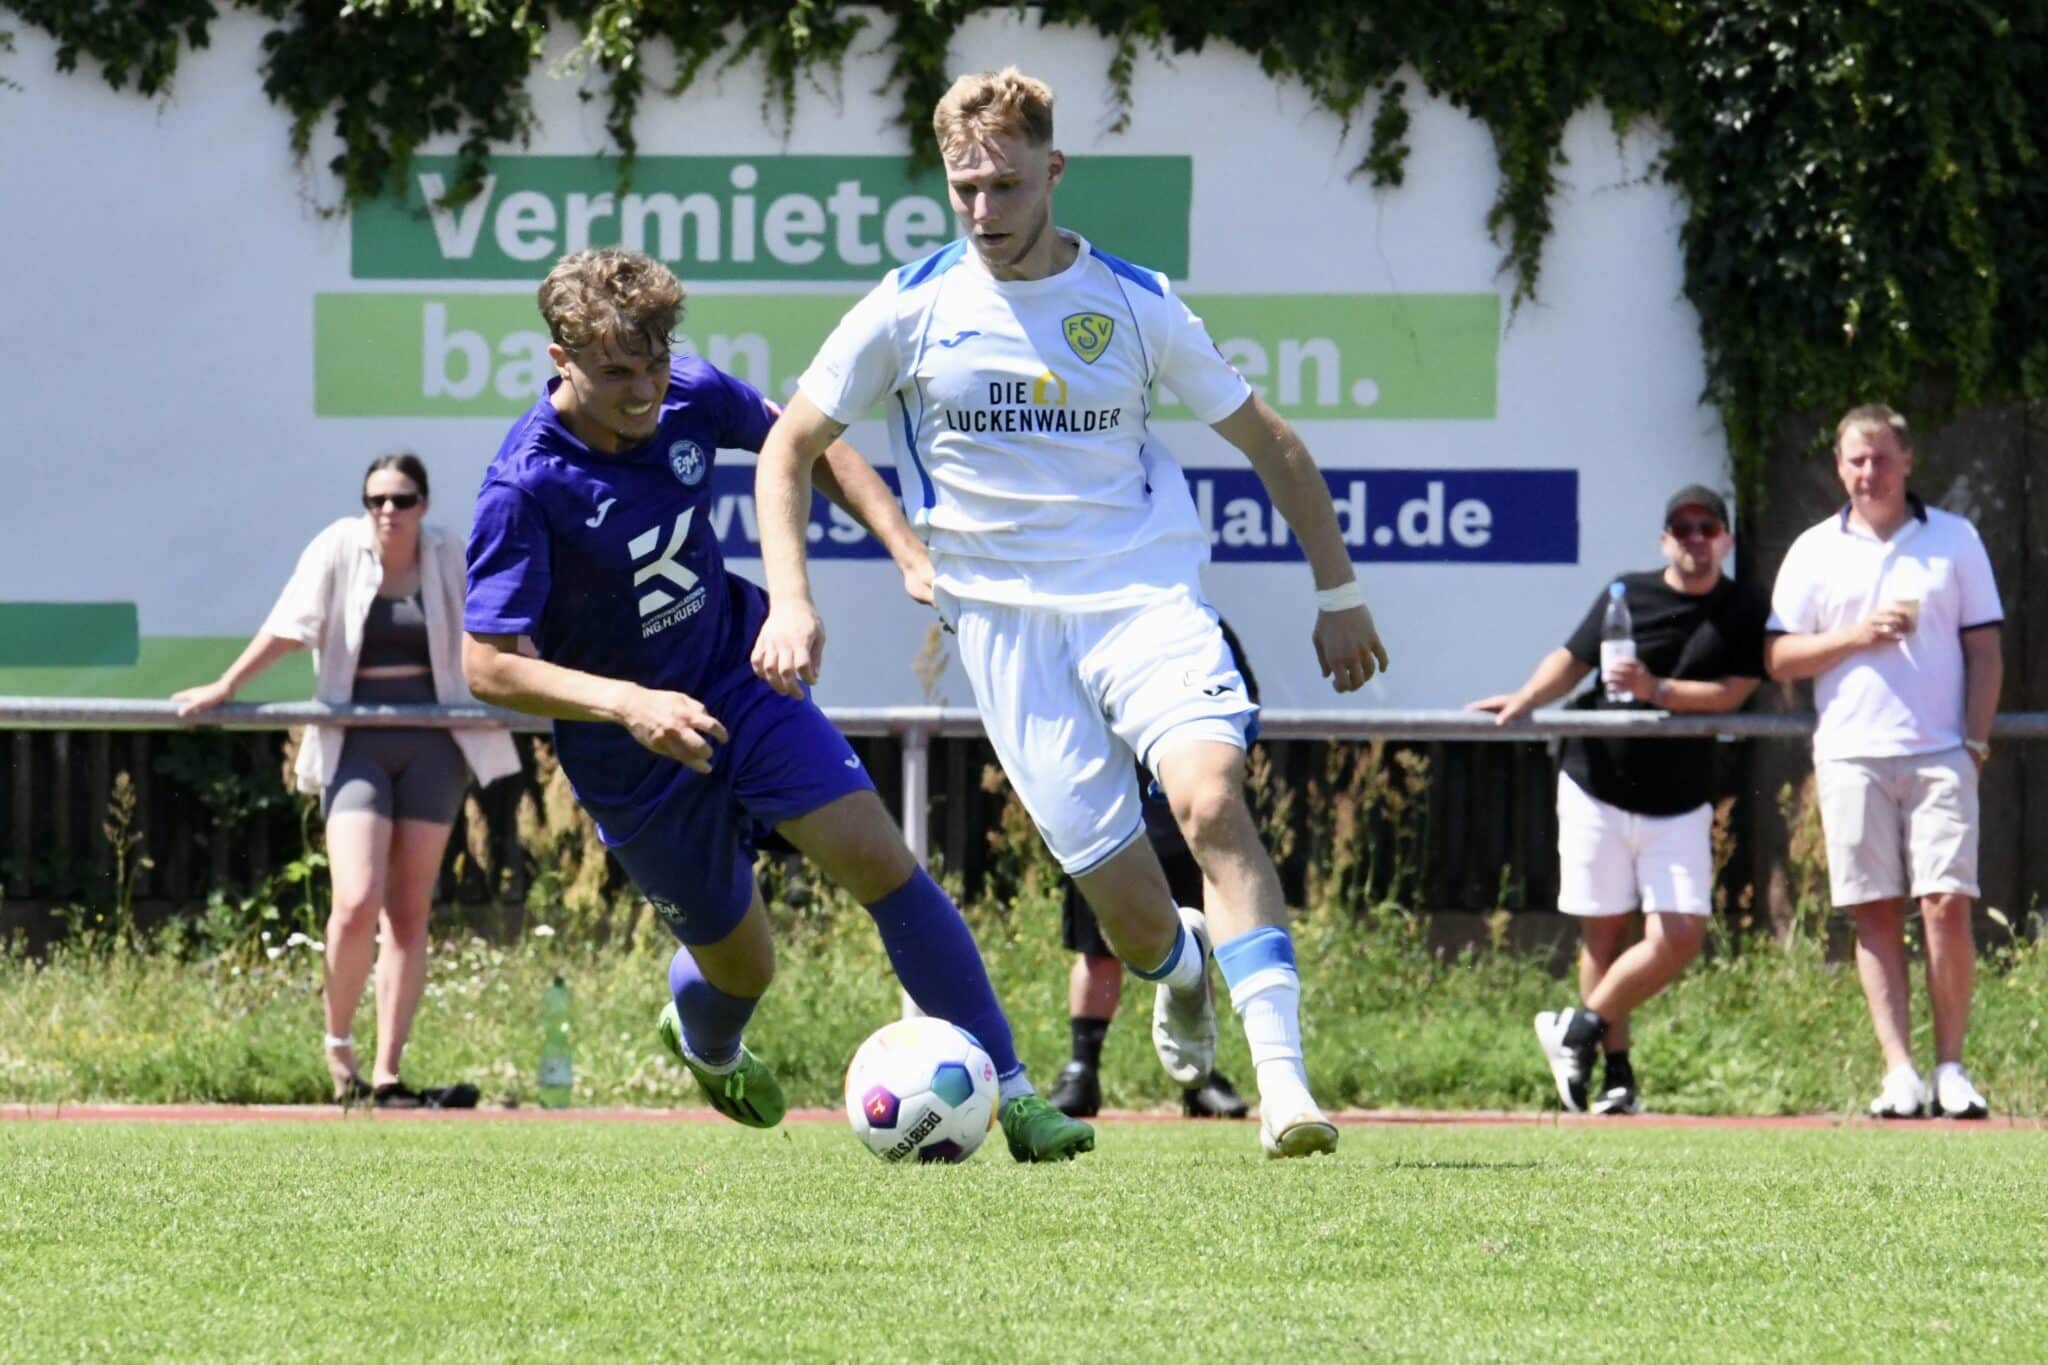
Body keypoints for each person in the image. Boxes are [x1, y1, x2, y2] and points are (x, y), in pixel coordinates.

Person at [752, 67, 1389, 1158]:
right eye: (964, 190)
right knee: (1134, 920)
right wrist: (791, 598)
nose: (984, 211)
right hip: (1003, 637)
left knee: (1207, 797)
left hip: (1143, 600)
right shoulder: (909, 306)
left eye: (1003, 184)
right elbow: (788, 448)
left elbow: (1269, 442)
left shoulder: (1132, 301)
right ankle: (1181, 973)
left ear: (1053, 170)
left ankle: (1285, 1088)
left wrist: (1338, 592)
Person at [460, 246, 1091, 1161]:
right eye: (615, 374)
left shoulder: (691, 394)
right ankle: (706, 1041)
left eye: (655, 365)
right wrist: (630, 704)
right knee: (744, 965)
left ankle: (1019, 1096)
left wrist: (907, 552)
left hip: (738, 678)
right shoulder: (525, 487)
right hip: (633, 758)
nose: (644, 392)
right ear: (561, 362)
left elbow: (808, 443)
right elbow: (487, 666)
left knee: (881, 861)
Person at [173, 455, 521, 1107]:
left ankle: (388, 1074)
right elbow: (290, 625)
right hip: (355, 741)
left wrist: (578, 685)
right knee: (357, 899)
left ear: (424, 503)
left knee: (409, 911)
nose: (389, 511)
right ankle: (341, 1056)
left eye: (403, 498)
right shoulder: (337, 546)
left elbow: (502, 627)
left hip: (436, 746)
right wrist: (227, 685)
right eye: (377, 499)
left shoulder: (449, 552)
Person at [1468, 485, 1768, 1114]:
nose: (1694, 538)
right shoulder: (1625, 594)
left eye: (1706, 527)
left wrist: (1657, 688)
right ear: (1665, 539)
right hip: (1596, 784)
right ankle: (1616, 1080)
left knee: (1680, 935)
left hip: (1681, 799)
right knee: (1603, 934)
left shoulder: (1744, 606)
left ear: (1726, 540)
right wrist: (1526, 700)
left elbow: (1732, 693)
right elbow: (1573, 662)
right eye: (1681, 528)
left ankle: (1576, 1027)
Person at [1764, 404, 2002, 1120]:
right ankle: (1899, 1072)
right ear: (1840, 467)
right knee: (1873, 911)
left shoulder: (1954, 539)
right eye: (1856, 460)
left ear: (1907, 461)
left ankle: (1952, 1067)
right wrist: (1857, 634)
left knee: (1946, 906)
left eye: (1882, 458)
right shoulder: (1812, 549)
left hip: (1939, 752)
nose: (1870, 472)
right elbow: (1779, 656)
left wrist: (1976, 741)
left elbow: (1986, 649)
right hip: (1849, 752)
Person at [1049, 618, 1259, 1121]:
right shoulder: (1080, 627)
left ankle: (1199, 1077)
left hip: (1177, 811)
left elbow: (1240, 708)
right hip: (1101, 806)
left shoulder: (1199, 626)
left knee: (1194, 941)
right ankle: (1082, 1071)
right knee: (1097, 947)